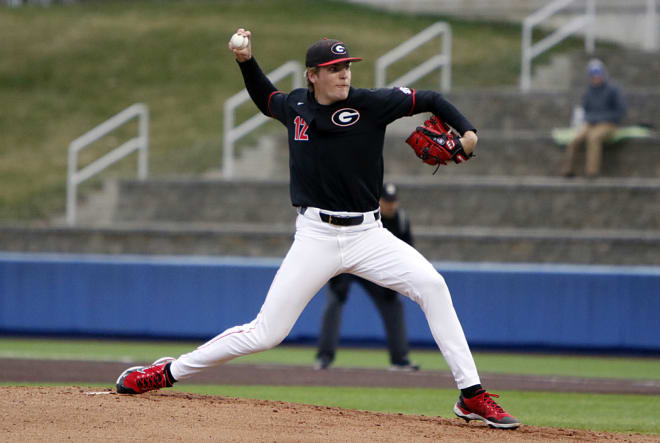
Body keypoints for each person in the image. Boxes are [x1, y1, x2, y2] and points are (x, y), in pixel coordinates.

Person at [115, 29, 521, 430]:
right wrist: (246, 62)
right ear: (313, 75)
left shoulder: (372, 104)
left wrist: (468, 132)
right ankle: (167, 372)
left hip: (369, 236)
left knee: (433, 287)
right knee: (266, 333)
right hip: (316, 236)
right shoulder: (295, 106)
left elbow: (429, 99)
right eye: (333, 68)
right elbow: (265, 99)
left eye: (346, 66)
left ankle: (471, 395)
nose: (344, 74)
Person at [315, 183, 419, 371]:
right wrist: (335, 275)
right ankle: (324, 357)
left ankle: (400, 359)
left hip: (375, 266)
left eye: (393, 201)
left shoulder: (401, 219)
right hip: (347, 264)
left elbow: (407, 250)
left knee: (393, 303)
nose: (390, 206)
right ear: (378, 201)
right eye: (387, 201)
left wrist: (394, 282)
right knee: (334, 301)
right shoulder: (362, 213)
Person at [561, 58, 626, 178]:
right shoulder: (588, 92)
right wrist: (589, 120)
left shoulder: (613, 90)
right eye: (593, 75)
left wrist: (602, 118)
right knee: (575, 139)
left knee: (593, 138)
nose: (596, 78)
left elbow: (620, 111)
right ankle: (568, 170)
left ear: (603, 74)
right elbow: (585, 111)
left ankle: (592, 172)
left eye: (598, 74)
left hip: (608, 124)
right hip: (591, 123)